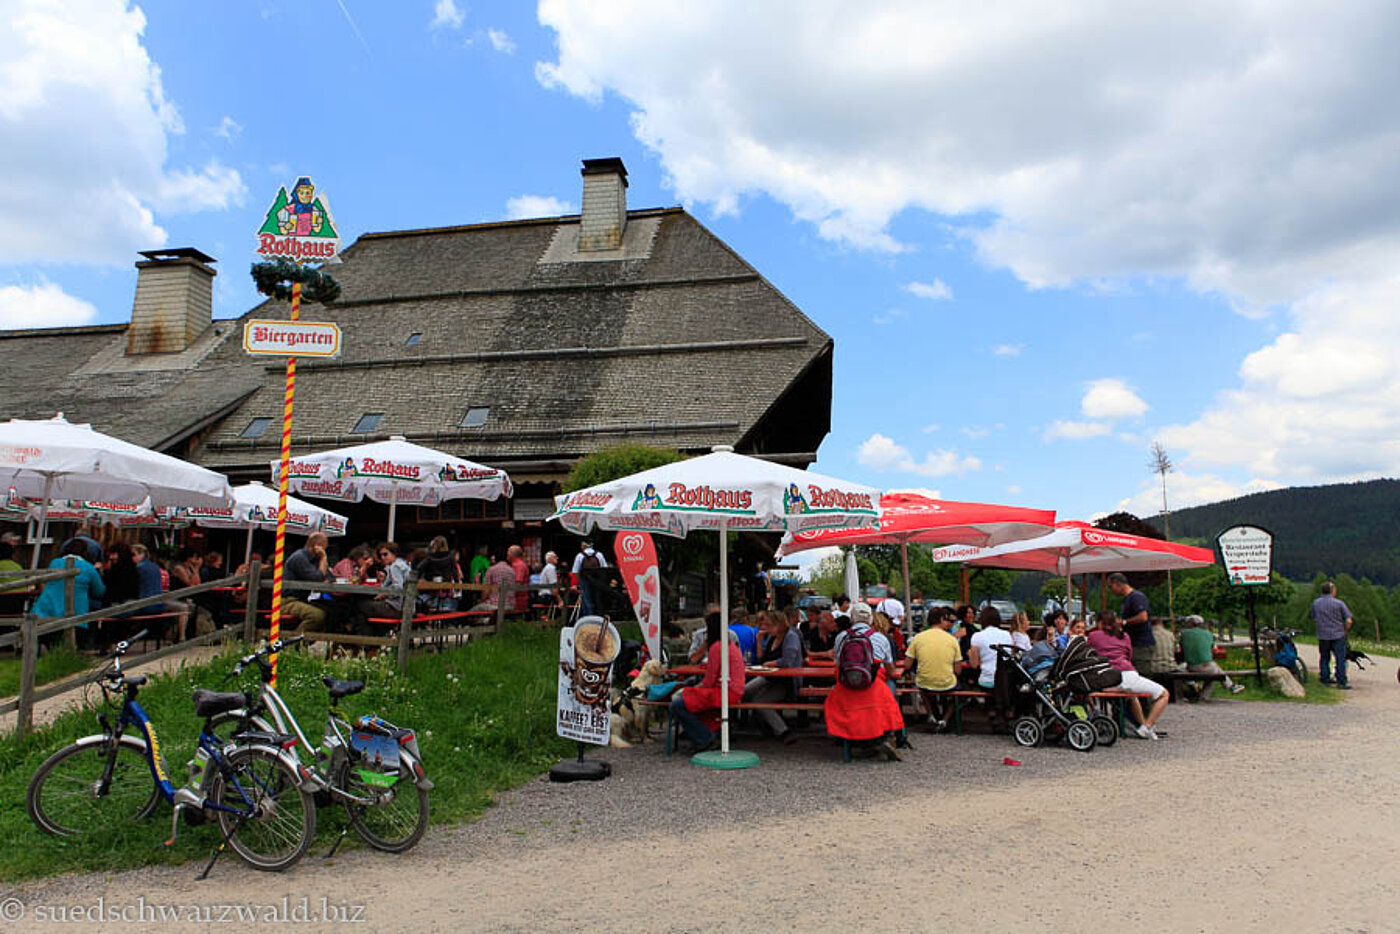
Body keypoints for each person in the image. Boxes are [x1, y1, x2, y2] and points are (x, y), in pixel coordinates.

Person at [825, 602, 906, 759]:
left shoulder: (841, 637)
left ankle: (857, 742)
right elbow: (890, 670)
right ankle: (887, 737)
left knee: (847, 704)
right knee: (889, 697)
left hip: (845, 688)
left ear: (852, 619)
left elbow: (837, 663)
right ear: (870, 620)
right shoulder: (880, 638)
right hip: (873, 685)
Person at [669, 613, 746, 753]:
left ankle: (704, 739)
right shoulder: (728, 644)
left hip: (725, 691)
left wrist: (691, 690)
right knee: (685, 699)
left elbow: (709, 681)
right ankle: (704, 736)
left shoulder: (717, 647)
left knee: (678, 704)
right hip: (732, 689)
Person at [1087, 610, 1169, 740]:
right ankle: (1146, 726)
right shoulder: (1124, 636)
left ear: (1100, 623)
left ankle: (1142, 726)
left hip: (1107, 677)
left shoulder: (1093, 635)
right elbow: (1129, 656)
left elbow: (1088, 655)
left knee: (1127, 694)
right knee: (1162, 694)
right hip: (1129, 675)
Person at [743, 609, 804, 743]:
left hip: (786, 680)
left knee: (759, 702)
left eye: (770, 625)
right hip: (770, 677)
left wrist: (772, 663)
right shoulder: (772, 637)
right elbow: (761, 658)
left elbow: (788, 661)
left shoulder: (790, 636)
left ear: (780, 624)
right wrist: (759, 641)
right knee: (744, 691)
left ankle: (783, 731)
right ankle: (760, 723)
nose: (767, 628)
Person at [905, 606, 960, 730]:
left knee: (922, 685)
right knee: (960, 690)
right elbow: (958, 670)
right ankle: (945, 719)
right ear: (941, 619)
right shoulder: (952, 640)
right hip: (947, 682)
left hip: (924, 682)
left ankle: (931, 714)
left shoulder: (918, 638)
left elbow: (907, 665)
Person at [32, 539, 105, 623]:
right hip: (76, 615)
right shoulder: (89, 567)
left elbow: (45, 583)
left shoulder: (54, 563)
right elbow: (99, 591)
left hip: (45, 611)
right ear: (85, 552)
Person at [282, 532, 336, 632]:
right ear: (317, 546)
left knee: (332, 610)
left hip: (303, 599)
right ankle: (293, 643)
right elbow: (317, 578)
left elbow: (330, 577)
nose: (325, 551)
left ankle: (313, 642)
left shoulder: (315, 559)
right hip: (287, 600)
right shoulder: (299, 557)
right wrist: (323, 558)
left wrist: (325, 575)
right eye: (324, 548)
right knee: (317, 616)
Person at [1179, 615, 1245, 697]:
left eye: (1188, 622)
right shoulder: (1209, 634)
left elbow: (1181, 649)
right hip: (1207, 667)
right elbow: (1214, 649)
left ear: (1191, 623)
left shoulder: (1184, 634)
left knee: (1180, 669)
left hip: (1191, 667)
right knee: (1214, 669)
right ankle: (1230, 686)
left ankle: (1195, 688)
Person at [1310, 581, 1355, 689]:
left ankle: (1325, 679)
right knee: (1340, 658)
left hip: (1323, 635)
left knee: (1324, 658)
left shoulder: (1316, 603)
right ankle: (1341, 681)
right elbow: (1349, 620)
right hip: (1338, 634)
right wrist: (1345, 630)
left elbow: (1312, 616)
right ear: (1332, 591)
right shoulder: (1339, 603)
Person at [1107, 572, 1155, 672]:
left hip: (1142, 644)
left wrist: (1124, 622)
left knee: (1142, 673)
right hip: (1133, 644)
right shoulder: (1126, 599)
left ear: (1118, 584)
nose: (1111, 590)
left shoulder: (1136, 597)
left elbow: (1143, 617)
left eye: (1111, 587)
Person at [359, 542, 413, 622]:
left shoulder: (395, 567)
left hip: (397, 608)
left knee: (361, 606)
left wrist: (383, 595)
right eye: (381, 555)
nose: (383, 557)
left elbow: (397, 588)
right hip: (408, 607)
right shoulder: (402, 563)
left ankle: (367, 634)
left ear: (394, 553)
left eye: (385, 554)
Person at [968, 605, 1012, 692]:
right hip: (1005, 682)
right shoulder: (1007, 635)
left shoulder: (977, 636)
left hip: (986, 681)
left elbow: (974, 664)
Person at [417, 536, 461, 611]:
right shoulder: (450, 557)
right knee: (446, 610)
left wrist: (419, 578)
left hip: (433, 587)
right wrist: (457, 585)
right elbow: (454, 572)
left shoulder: (430, 557)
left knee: (432, 609)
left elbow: (419, 568)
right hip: (446, 587)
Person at [571, 539, 608, 617]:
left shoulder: (579, 556)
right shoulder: (599, 555)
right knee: (598, 599)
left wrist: (579, 582)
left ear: (583, 546)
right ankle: (599, 617)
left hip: (584, 580)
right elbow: (604, 568)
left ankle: (589, 617)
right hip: (597, 580)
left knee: (587, 600)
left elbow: (575, 571)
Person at [507, 544, 530, 612]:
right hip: (516, 599)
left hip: (517, 601)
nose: (507, 554)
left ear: (513, 554)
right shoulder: (517, 564)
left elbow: (517, 583)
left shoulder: (518, 565)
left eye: (508, 552)